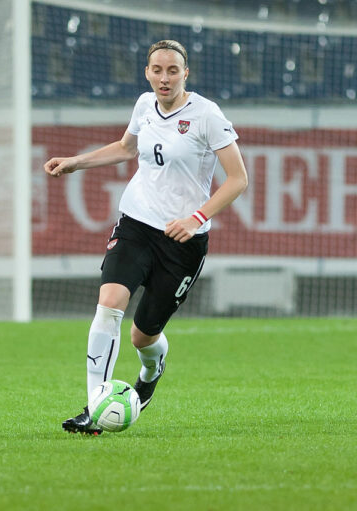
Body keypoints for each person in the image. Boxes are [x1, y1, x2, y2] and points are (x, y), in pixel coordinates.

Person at [43, 40, 248, 435]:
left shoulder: (207, 115)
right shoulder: (143, 105)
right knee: (109, 304)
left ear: (186, 73)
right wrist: (75, 163)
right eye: (157, 70)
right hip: (137, 222)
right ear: (147, 72)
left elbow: (238, 179)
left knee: (143, 335)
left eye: (173, 70)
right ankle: (94, 406)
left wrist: (197, 216)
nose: (164, 78)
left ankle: (152, 372)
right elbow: (125, 149)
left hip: (183, 240)